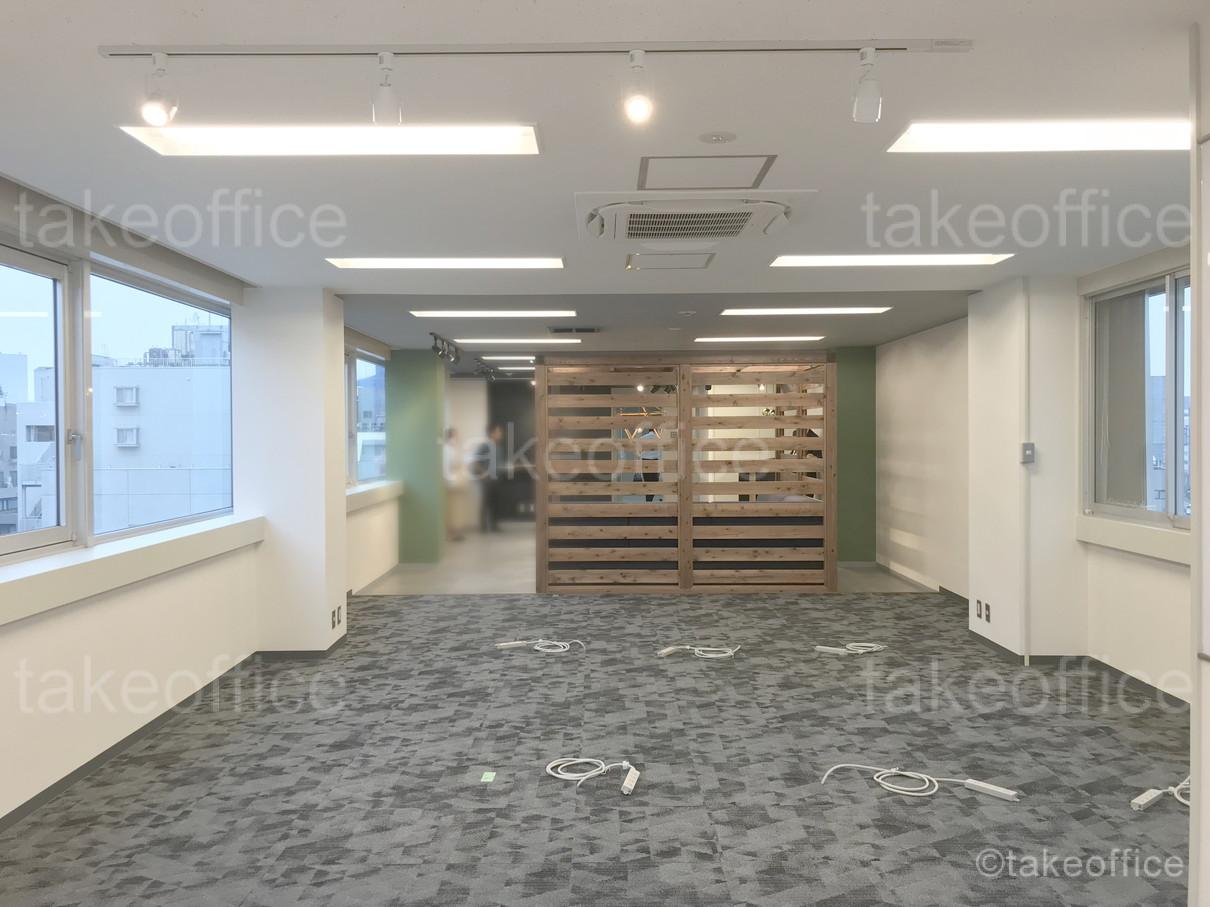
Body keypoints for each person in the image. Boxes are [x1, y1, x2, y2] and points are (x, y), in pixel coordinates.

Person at [470, 423, 506, 532]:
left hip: (497, 479)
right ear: (492, 433)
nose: (500, 434)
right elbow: (475, 461)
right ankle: (483, 527)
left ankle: (494, 525)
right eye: (498, 431)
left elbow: (498, 463)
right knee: (485, 503)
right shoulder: (484, 446)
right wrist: (484, 473)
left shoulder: (499, 447)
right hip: (487, 480)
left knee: (496, 503)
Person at [443, 427, 468, 542]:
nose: (456, 438)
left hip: (457, 482)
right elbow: (449, 467)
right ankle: (451, 533)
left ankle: (456, 532)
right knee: (451, 510)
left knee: (457, 509)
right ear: (449, 437)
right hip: (451, 483)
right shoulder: (446, 450)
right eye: (454, 436)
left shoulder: (454, 450)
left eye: (456, 436)